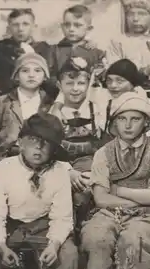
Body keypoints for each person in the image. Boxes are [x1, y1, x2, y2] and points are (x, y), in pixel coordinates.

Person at [0, 113, 78, 269]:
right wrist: (2, 247)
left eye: (46, 142)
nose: (38, 147)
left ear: (54, 149)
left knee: (68, 255)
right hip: (9, 226)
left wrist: (54, 245)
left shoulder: (60, 171)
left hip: (44, 226)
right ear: (20, 143)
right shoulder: (5, 168)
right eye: (33, 140)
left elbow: (62, 218)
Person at [81, 90, 150, 269]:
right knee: (96, 237)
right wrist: (143, 198)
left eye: (135, 119)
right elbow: (101, 199)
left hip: (147, 217)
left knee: (134, 241)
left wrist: (118, 190)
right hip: (108, 214)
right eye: (122, 119)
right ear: (114, 122)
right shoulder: (103, 153)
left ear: (146, 122)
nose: (128, 125)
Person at [48, 57, 106, 230]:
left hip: (88, 160)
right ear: (59, 86)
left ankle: (82, 230)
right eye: (69, 83)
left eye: (81, 83)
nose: (75, 89)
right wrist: (67, 171)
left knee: (84, 191)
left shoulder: (97, 109)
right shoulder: (52, 111)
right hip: (58, 162)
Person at [0, 52, 54, 162]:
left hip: (40, 161)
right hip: (6, 160)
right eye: (25, 70)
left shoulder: (50, 104)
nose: (31, 75)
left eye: (37, 70)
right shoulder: (2, 102)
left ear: (45, 77)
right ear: (16, 76)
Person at [0, 9, 51, 96]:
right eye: (15, 25)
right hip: (8, 99)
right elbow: (2, 77)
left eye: (25, 24)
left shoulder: (44, 48)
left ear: (34, 26)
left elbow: (48, 79)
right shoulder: (1, 47)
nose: (20, 29)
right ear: (9, 28)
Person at [49, 5, 107, 87]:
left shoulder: (97, 54)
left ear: (89, 29)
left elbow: (101, 80)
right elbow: (48, 76)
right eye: (67, 25)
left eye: (77, 25)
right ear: (62, 27)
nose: (71, 29)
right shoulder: (53, 50)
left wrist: (87, 68)